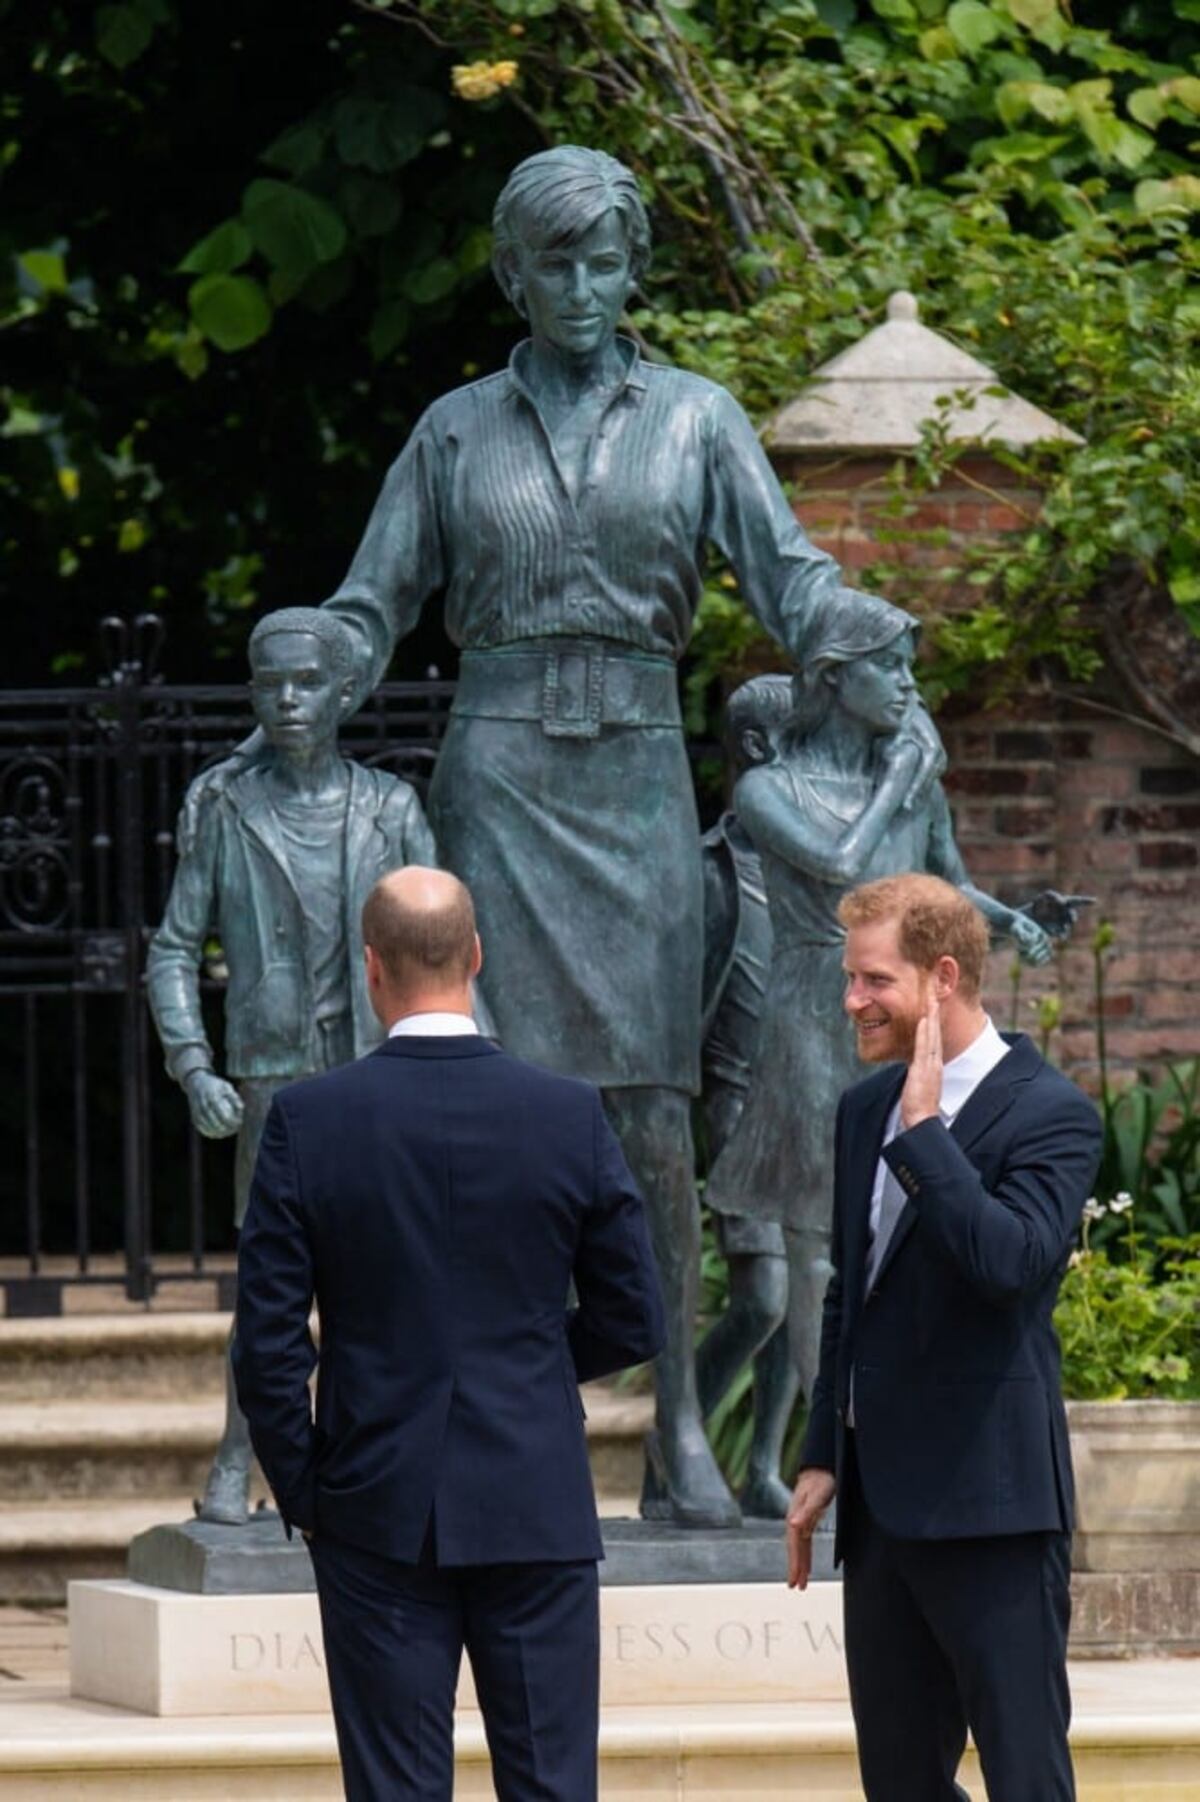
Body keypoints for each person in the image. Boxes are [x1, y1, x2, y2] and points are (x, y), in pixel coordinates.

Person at [222, 145, 942, 1528]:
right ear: (511, 272)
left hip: (634, 780)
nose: (581, 284)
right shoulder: (452, 430)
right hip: (496, 775)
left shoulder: (696, 418)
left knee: (654, 1112)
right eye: (553, 260)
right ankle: (496, 1415)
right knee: (482, 1108)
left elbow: (789, 575)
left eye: (604, 258)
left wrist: (874, 654)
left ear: (633, 271)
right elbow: (373, 607)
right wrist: (303, 693)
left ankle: (673, 1420)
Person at [233, 866, 665, 1802]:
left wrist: (310, 1489)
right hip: (533, 1495)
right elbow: (635, 1313)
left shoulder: (308, 1121)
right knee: (552, 1786)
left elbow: (266, 1344)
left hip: (373, 1502)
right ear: (475, 957)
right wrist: (537, 1370)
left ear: (371, 967)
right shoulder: (568, 1113)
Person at [786, 873, 1103, 1802]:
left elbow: (1010, 1268)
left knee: (1027, 1777)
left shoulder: (1053, 1113)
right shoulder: (859, 1110)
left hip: (994, 1509)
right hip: (881, 1517)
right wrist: (821, 1454)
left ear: (944, 978)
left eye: (873, 980)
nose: (853, 999)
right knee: (901, 1784)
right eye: (851, 977)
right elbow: (853, 1290)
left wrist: (926, 1134)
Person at [705, 595, 1054, 1409]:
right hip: (815, 1012)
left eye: (908, 666)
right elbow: (839, 864)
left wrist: (1011, 921)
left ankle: (904, 1414)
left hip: (914, 1021)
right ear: (833, 675)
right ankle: (837, 1429)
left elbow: (948, 883)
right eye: (887, 665)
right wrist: (900, 777)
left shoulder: (914, 785)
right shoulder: (770, 786)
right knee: (820, 1238)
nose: (906, 686)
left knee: (919, 1212)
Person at [147, 607, 436, 1524]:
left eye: (306, 682)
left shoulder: (391, 808)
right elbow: (172, 948)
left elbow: (447, 944)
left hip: (378, 1072)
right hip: (274, 1078)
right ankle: (240, 1457)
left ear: (345, 692)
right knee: (271, 1292)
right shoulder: (226, 808)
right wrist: (194, 1065)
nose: (287, 699)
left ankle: (366, 1465)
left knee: (385, 1281)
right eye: (269, 683)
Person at [694, 674, 798, 1518]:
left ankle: (763, 1466)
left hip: (812, 1104)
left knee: (800, 1296)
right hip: (737, 1110)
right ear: (761, 749)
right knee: (763, 1296)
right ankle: (679, 1438)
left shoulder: (816, 868)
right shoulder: (708, 872)